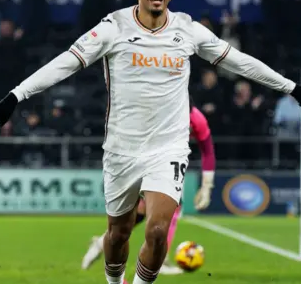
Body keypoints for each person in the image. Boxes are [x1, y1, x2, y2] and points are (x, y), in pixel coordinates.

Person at [0, 0, 301, 284]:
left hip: (168, 148)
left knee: (159, 228)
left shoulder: (187, 30)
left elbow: (239, 61)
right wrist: (16, 96)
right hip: (121, 149)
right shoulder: (113, 27)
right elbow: (66, 63)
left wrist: (291, 87)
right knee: (117, 234)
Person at [81, 98, 215, 275]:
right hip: (139, 159)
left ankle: (101, 243)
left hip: (163, 162)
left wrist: (207, 186)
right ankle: (159, 260)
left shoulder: (197, 120)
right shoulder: (156, 114)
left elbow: (208, 151)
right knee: (168, 207)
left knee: (138, 216)